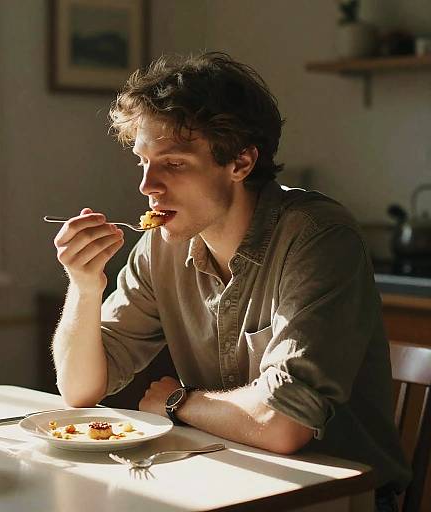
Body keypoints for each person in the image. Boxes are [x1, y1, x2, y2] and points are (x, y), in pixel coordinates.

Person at [51, 52, 410, 511]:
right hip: (224, 483)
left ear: (240, 162)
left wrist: (177, 402)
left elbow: (284, 425)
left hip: (335, 498)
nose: (147, 185)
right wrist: (84, 286)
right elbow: (80, 390)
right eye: (143, 161)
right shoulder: (161, 244)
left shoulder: (318, 237)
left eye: (174, 164)